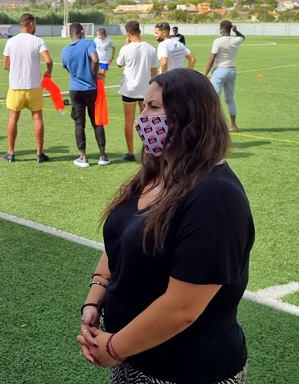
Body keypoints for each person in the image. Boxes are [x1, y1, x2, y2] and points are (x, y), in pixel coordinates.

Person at [77, 68, 255, 384]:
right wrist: (96, 297)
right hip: (133, 357)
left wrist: (115, 348)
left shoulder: (215, 197)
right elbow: (120, 241)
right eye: (144, 106)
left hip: (186, 372)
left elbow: (182, 307)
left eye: (154, 108)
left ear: (190, 115)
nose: (142, 117)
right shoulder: (158, 172)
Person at [2, 13, 54, 163]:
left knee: (13, 117)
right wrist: (48, 71)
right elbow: (48, 60)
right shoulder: (38, 41)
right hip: (34, 86)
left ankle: (11, 153)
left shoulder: (11, 42)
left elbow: (6, 65)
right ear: (31, 24)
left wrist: (16, 71)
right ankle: (39, 153)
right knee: (37, 118)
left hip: (16, 87)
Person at [61, 22, 109, 167]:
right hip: (91, 88)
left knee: (79, 124)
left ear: (70, 34)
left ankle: (83, 157)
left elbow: (68, 69)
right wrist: (94, 76)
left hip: (75, 89)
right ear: (82, 32)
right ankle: (102, 156)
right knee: (97, 122)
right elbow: (95, 59)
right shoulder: (88, 43)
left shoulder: (65, 51)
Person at [115, 21, 158, 162]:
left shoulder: (126, 49)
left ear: (128, 34)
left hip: (129, 90)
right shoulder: (151, 49)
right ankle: (150, 150)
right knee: (147, 121)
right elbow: (154, 72)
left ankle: (130, 152)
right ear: (139, 31)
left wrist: (126, 45)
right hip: (145, 89)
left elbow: (119, 63)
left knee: (129, 120)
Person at [204, 20, 245, 132]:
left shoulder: (218, 41)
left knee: (213, 98)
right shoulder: (236, 40)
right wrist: (235, 30)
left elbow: (211, 59)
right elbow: (242, 37)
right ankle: (233, 125)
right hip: (231, 71)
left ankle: (213, 125)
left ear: (221, 29)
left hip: (220, 71)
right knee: (230, 98)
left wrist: (205, 74)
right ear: (230, 28)